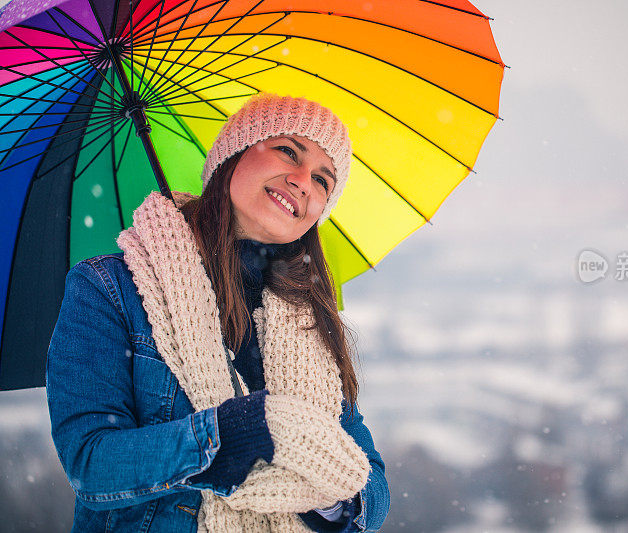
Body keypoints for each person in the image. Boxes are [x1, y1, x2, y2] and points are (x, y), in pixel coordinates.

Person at [46, 93, 390, 532]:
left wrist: (327, 492)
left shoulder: (311, 322)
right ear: (235, 154)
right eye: (288, 151)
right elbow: (91, 463)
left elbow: (373, 485)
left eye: (324, 180)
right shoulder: (109, 289)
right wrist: (223, 435)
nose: (305, 181)